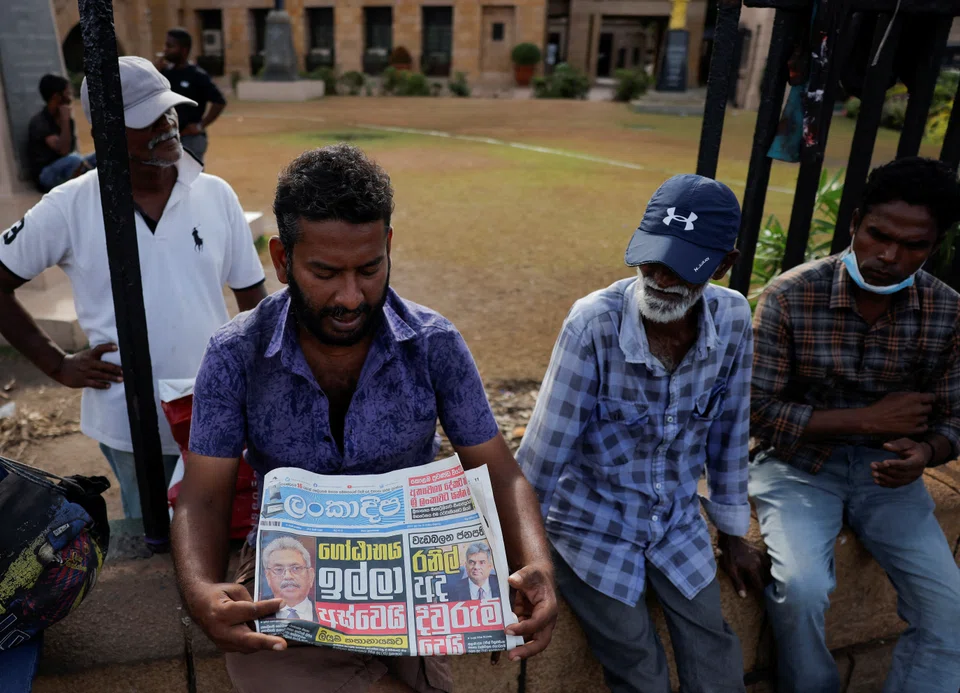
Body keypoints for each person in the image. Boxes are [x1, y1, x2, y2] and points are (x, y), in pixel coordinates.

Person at [171, 144, 557, 693]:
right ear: (282, 260)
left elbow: (502, 473)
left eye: (370, 268)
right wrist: (200, 592)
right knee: (265, 661)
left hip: (413, 583)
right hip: (288, 577)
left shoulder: (433, 344)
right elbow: (204, 495)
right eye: (325, 272)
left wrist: (537, 565)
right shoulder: (237, 353)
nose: (351, 296)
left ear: (389, 248)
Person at [518, 174, 762, 693]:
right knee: (639, 671)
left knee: (716, 658)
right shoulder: (594, 325)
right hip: (589, 528)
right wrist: (522, 555)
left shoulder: (734, 317)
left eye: (681, 267)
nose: (657, 275)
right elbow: (540, 459)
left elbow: (730, 431)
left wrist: (734, 532)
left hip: (675, 523)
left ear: (722, 265)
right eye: (650, 257)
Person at [0, 57, 267, 520]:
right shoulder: (71, 205)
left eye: (168, 110)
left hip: (215, 413)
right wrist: (56, 363)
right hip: (126, 420)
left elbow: (252, 299)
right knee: (152, 538)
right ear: (105, 133)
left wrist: (259, 382)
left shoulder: (215, 194)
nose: (167, 126)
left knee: (218, 528)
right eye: (147, 120)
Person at [749, 157, 960, 693]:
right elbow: (753, 411)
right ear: (856, 223)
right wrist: (867, 418)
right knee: (799, 587)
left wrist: (928, 452)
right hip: (795, 466)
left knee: (947, 607)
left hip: (889, 476)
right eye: (878, 235)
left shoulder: (946, 311)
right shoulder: (791, 295)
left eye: (914, 246)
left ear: (934, 247)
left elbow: (954, 416)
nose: (889, 256)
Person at [156, 28, 226, 163]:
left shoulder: (197, 75)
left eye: (170, 46)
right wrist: (155, 70)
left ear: (184, 50)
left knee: (192, 180)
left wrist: (200, 126)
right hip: (167, 137)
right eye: (165, 45)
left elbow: (219, 101)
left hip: (190, 140)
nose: (165, 50)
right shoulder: (164, 72)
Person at [27, 74, 96, 192]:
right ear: (56, 97)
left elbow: (70, 150)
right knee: (74, 160)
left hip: (69, 165)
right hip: (46, 175)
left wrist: (66, 120)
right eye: (67, 93)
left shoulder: (68, 120)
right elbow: (64, 151)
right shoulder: (40, 122)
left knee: (100, 156)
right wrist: (65, 120)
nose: (70, 97)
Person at [261, 536, 316, 622]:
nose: (288, 576)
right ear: (268, 576)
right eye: (279, 570)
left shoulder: (328, 611)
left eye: (296, 568)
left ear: (310, 576)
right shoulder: (258, 608)